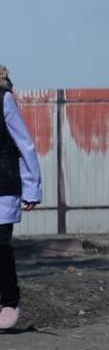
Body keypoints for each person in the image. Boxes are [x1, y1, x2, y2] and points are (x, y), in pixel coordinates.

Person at [0, 66, 40, 330]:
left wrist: (32, 187)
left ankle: (9, 302)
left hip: (2, 186)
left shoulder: (3, 99)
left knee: (0, 246)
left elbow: (24, 143)